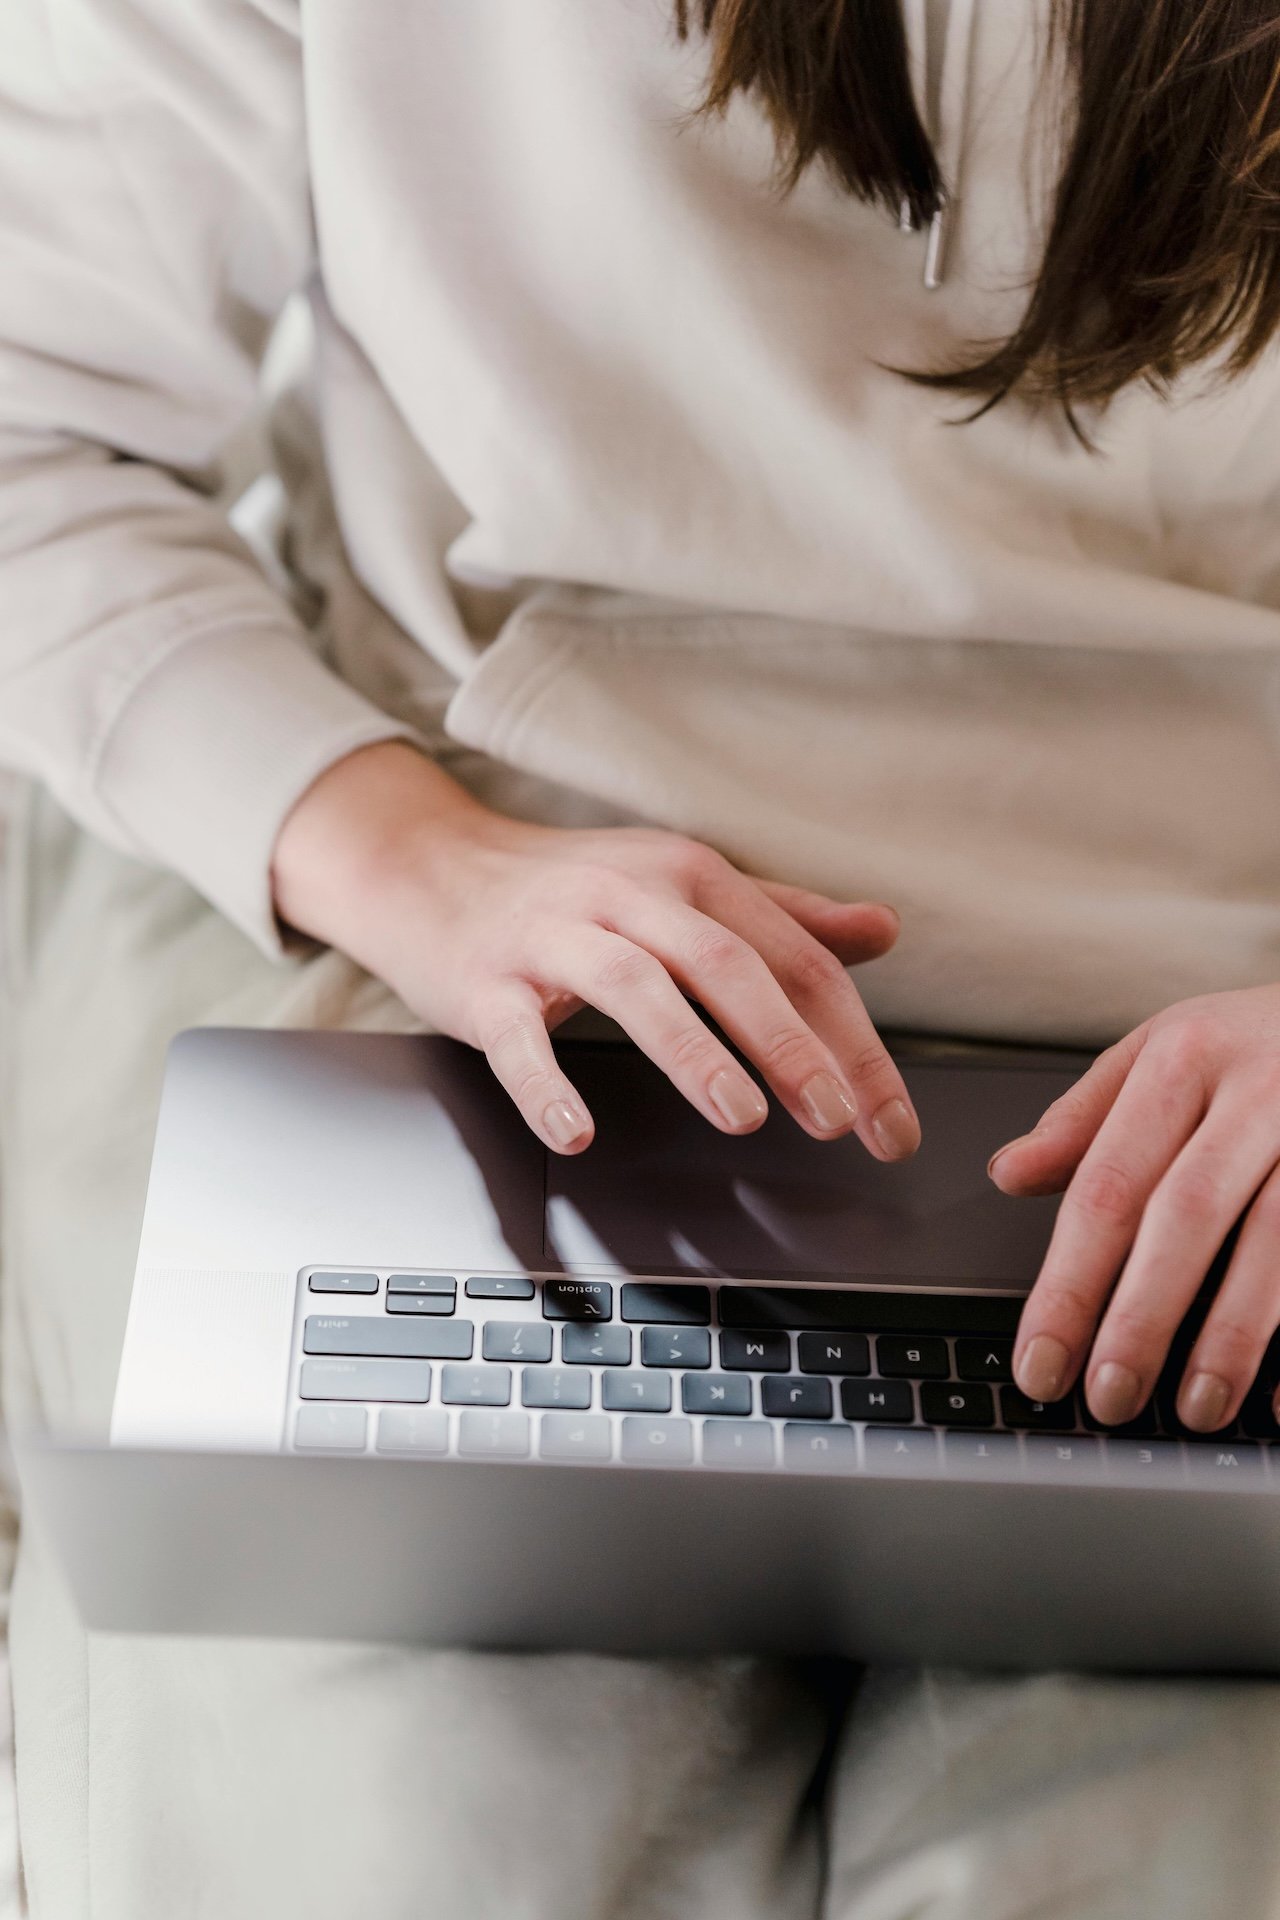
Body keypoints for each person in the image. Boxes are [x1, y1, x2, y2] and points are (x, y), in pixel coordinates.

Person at [3, 0, 1280, 1913]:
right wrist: (412, 856)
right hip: (475, 930)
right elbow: (34, 413)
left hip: (1224, 1062)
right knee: (385, 1851)